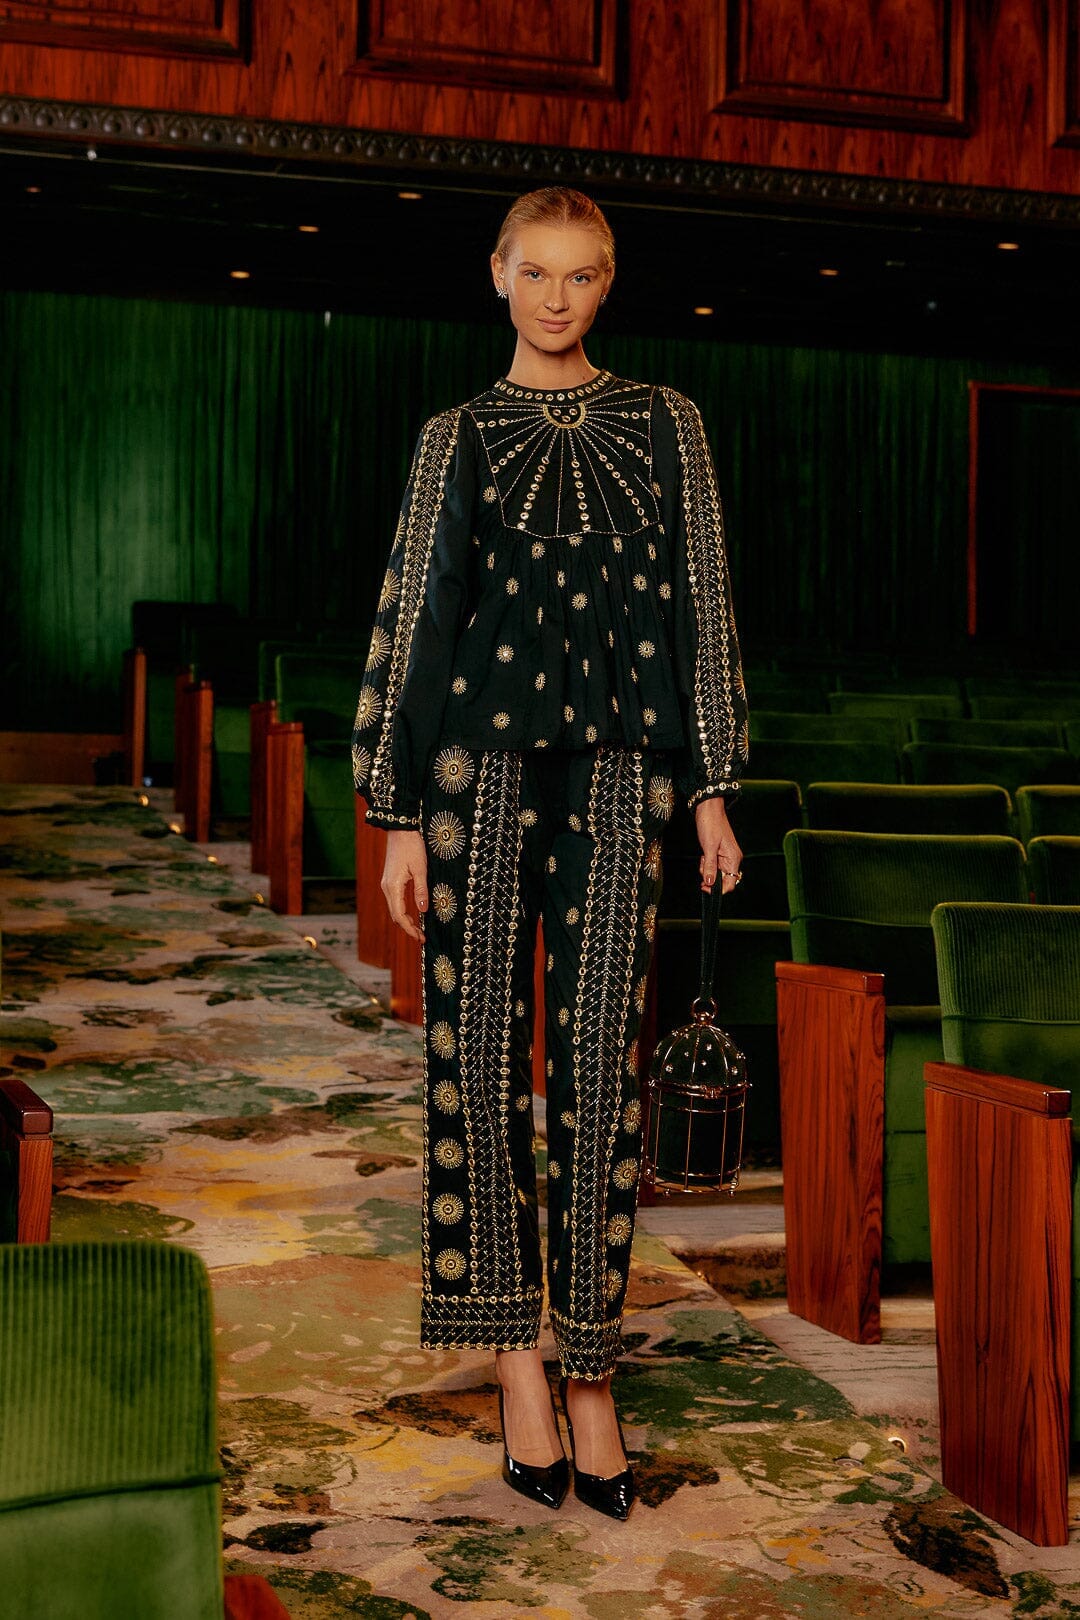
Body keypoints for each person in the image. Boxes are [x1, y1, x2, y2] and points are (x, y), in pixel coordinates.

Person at [353, 185, 747, 1519]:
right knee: (475, 1059)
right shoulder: (455, 437)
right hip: (479, 771)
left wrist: (711, 789)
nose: (558, 298)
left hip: (623, 770)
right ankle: (515, 1356)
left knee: (597, 1075)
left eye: (580, 276)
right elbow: (419, 616)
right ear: (499, 275)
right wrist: (395, 811)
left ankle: (589, 1372)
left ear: (608, 281)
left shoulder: (669, 424)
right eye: (537, 274)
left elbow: (703, 607)